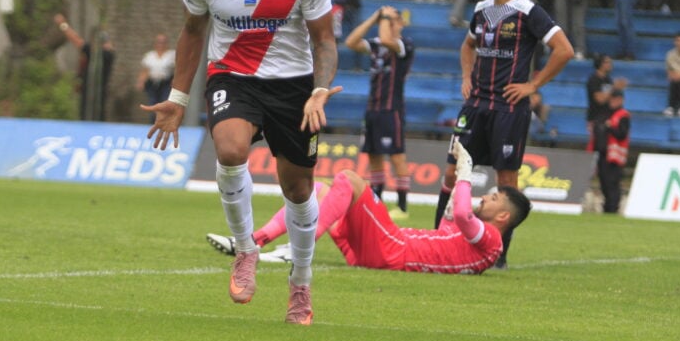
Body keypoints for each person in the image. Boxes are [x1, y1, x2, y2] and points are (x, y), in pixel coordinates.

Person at [143, 0, 339, 325]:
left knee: (299, 189)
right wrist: (177, 98)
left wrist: (320, 89)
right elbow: (192, 33)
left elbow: (324, 40)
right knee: (230, 150)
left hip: (294, 86)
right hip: (234, 77)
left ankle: (301, 284)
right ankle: (246, 249)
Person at [432, 0, 573, 269]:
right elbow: (468, 46)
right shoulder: (481, 9)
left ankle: (498, 254)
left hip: (509, 108)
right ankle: (439, 238)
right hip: (475, 104)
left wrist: (533, 86)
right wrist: (467, 76)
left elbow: (564, 49)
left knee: (506, 181)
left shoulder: (528, 11)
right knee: (452, 172)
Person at [207, 143, 530, 275]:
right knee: (318, 191)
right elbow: (452, 219)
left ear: (503, 217)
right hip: (379, 250)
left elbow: (461, 214)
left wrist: (465, 173)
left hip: (393, 248)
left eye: (494, 198)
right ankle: (253, 241)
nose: (485, 198)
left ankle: (297, 247)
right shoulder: (478, 244)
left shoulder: (490, 238)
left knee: (348, 178)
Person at [343, 5, 415, 219]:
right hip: (372, 108)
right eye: (387, 21)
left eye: (392, 20)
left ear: (401, 23)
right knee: (374, 155)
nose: (389, 24)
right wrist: (374, 17)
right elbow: (351, 42)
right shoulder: (376, 45)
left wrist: (384, 18)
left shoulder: (404, 45)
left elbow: (386, 39)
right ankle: (377, 202)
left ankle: (402, 207)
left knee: (396, 156)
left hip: (391, 109)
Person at [54, 13, 115, 121]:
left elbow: (77, 41)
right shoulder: (98, 53)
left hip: (97, 94)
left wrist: (63, 25)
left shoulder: (105, 55)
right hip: (88, 91)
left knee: (95, 117)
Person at [589, 89, 630, 214]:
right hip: (602, 153)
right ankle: (607, 207)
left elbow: (622, 134)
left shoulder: (623, 115)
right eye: (612, 99)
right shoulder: (604, 114)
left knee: (612, 183)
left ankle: (613, 208)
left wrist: (610, 127)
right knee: (604, 182)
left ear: (621, 100)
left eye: (616, 99)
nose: (613, 101)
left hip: (614, 156)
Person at [136, 33, 175, 116]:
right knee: (152, 102)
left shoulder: (171, 55)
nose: (161, 44)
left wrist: (175, 81)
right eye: (159, 42)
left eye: (163, 42)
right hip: (152, 83)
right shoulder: (150, 55)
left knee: (164, 102)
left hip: (166, 83)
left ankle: (163, 121)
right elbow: (145, 70)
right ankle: (153, 121)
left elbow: (177, 69)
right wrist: (141, 81)